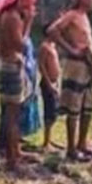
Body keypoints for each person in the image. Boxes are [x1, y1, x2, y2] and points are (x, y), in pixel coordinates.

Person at [47, 0, 92, 162]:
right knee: (74, 108)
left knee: (88, 106)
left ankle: (82, 143)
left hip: (88, 67)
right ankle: (71, 148)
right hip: (76, 66)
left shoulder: (84, 16)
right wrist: (71, 50)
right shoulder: (72, 15)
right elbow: (53, 30)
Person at [0, 0, 40, 171]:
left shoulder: (6, 15)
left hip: (8, 66)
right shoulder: (12, 17)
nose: (30, 6)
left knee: (13, 113)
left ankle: (17, 152)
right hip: (12, 68)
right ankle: (12, 160)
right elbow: (21, 44)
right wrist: (28, 22)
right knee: (13, 116)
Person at [38, 23, 61, 152]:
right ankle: (46, 143)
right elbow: (41, 66)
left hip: (54, 83)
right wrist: (49, 84)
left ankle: (49, 139)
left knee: (54, 112)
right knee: (49, 112)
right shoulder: (44, 47)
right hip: (48, 84)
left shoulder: (53, 46)